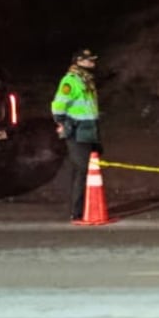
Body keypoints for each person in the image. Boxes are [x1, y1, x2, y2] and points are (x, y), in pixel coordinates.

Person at [51, 48, 102, 222]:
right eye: (89, 60)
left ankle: (86, 207)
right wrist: (61, 122)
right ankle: (77, 212)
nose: (92, 63)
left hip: (90, 129)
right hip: (76, 130)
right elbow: (59, 104)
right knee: (81, 170)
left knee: (87, 170)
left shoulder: (87, 80)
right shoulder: (70, 80)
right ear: (79, 61)